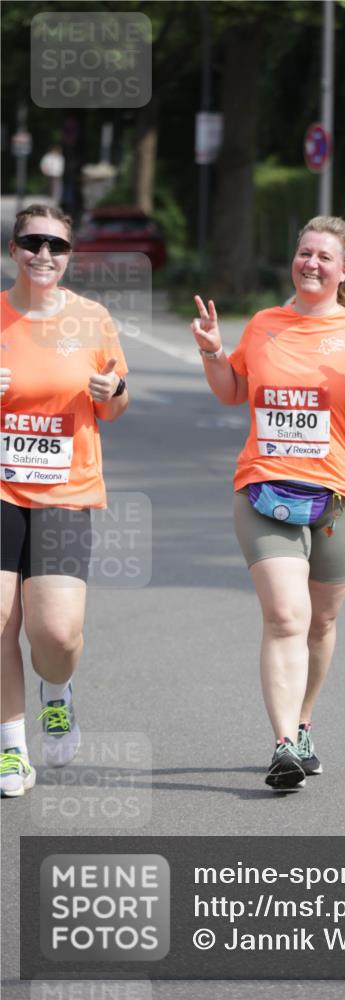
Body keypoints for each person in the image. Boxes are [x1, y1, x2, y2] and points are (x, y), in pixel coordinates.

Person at [191, 215, 345, 790]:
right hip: (265, 489)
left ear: (344, 272)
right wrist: (214, 353)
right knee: (286, 614)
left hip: (343, 498)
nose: (311, 263)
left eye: (324, 257)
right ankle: (284, 743)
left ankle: (305, 719)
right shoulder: (265, 324)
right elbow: (232, 393)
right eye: (304, 252)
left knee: (322, 621)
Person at [0, 204, 129, 797]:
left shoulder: (92, 318)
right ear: (14, 249)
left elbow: (115, 401)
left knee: (56, 633)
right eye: (32, 243)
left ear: (70, 255)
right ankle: (11, 750)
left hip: (65, 490)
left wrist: (111, 391)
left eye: (56, 246)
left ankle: (57, 689)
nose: (44, 255)